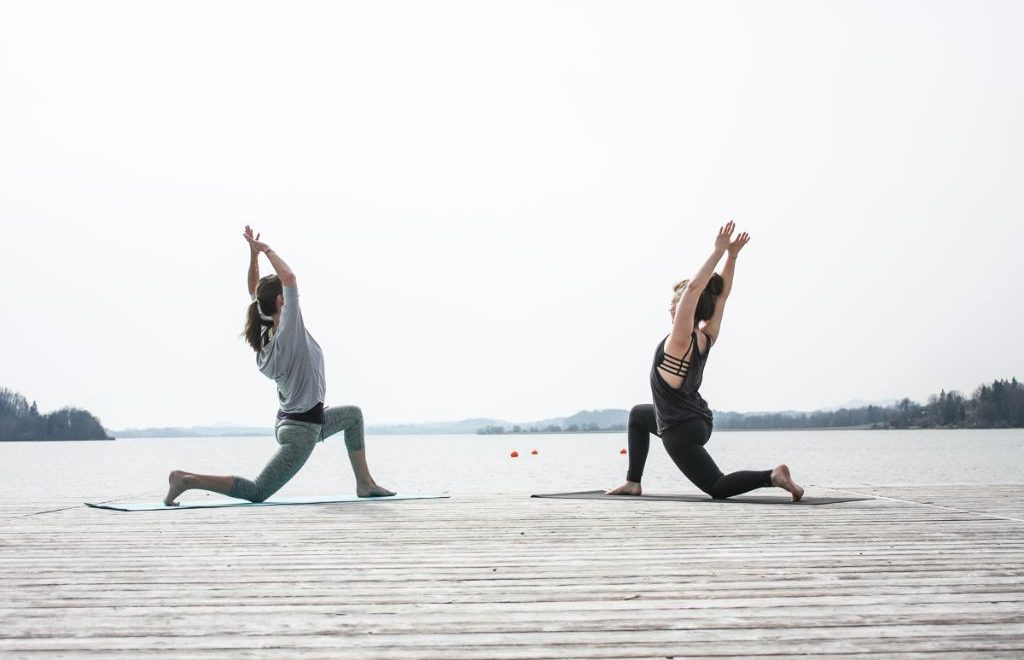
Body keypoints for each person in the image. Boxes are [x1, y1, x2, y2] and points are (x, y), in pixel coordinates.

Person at [163, 227, 394, 506]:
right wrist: (267, 249)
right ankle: (187, 480)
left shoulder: (264, 330)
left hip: (298, 420)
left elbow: (254, 290)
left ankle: (365, 483)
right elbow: (290, 277)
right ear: (282, 301)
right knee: (258, 491)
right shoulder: (288, 331)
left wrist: (253, 256)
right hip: (302, 431)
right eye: (285, 294)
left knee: (353, 416)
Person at [607, 221, 804, 501]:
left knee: (716, 486)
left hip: (680, 430)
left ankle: (771, 476)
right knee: (639, 415)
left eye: (674, 304)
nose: (670, 307)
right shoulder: (706, 336)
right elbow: (722, 295)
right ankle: (633, 481)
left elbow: (694, 289)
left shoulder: (680, 340)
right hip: (699, 419)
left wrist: (717, 251)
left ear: (685, 307)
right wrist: (732, 257)